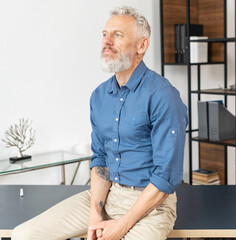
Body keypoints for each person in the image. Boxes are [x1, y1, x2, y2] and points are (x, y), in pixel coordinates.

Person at [12, 6, 188, 240]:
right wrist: (95, 213)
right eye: (105, 34)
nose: (107, 41)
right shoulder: (99, 96)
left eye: (118, 35)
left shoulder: (164, 95)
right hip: (107, 196)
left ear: (141, 46)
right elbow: (101, 160)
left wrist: (121, 225)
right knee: (24, 235)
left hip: (151, 207)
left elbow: (166, 177)